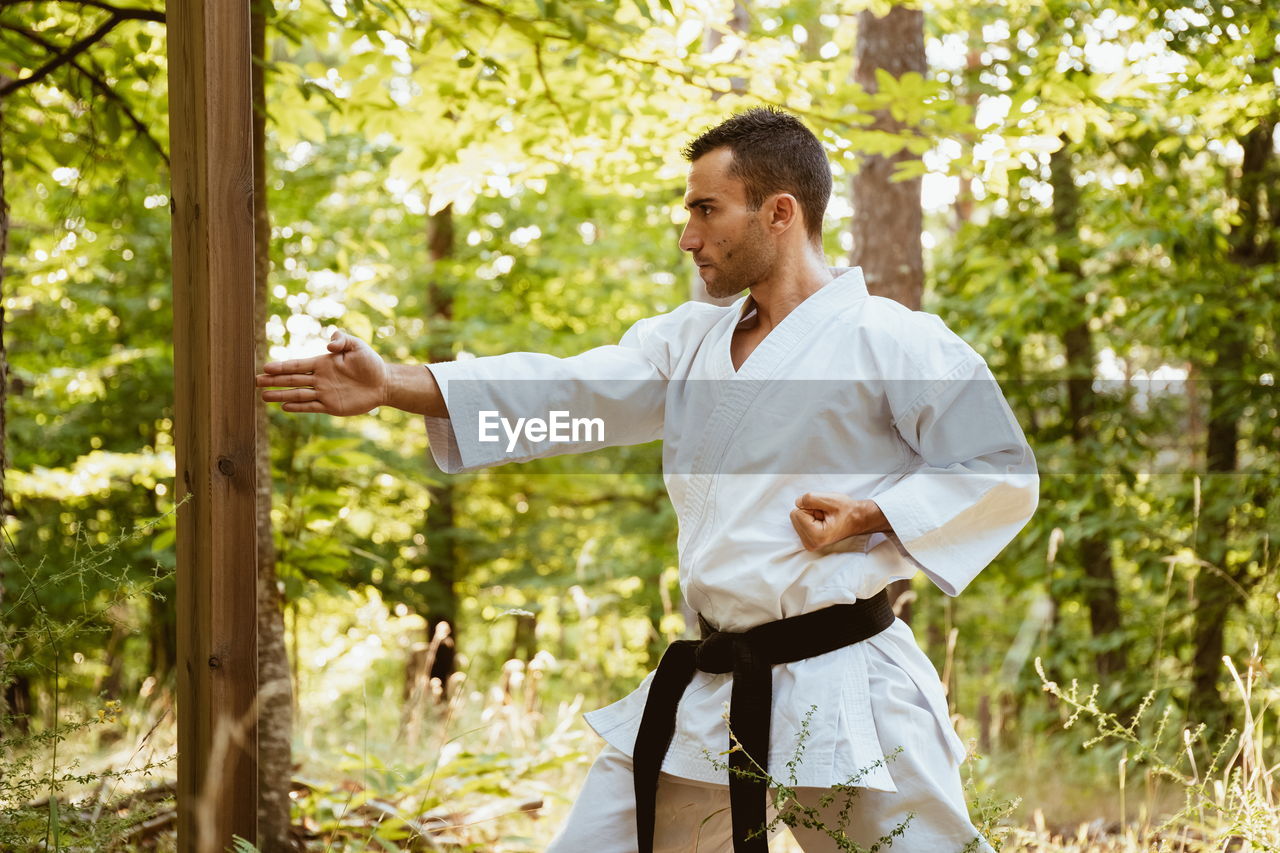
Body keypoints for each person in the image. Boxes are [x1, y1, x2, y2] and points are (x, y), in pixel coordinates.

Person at [257, 107, 1038, 852]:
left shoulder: (893, 340)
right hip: (711, 685)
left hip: (851, 686)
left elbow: (999, 468)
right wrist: (394, 383)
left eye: (707, 210)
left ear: (779, 213)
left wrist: (873, 515)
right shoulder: (690, 343)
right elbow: (570, 393)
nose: (686, 236)